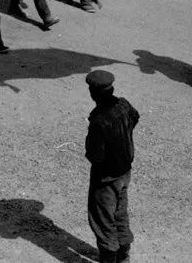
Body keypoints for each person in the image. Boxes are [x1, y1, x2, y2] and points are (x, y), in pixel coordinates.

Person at [84, 69, 139, 263]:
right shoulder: (123, 104)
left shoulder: (98, 121)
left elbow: (95, 155)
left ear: (93, 94)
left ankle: (108, 258)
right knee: (120, 214)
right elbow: (135, 117)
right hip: (125, 171)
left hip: (106, 178)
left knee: (103, 220)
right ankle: (123, 257)